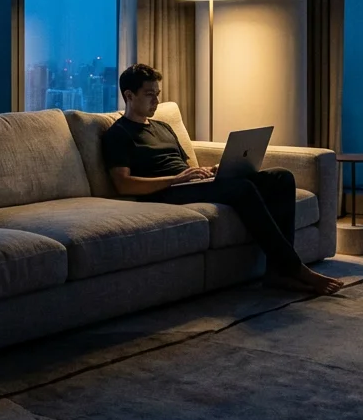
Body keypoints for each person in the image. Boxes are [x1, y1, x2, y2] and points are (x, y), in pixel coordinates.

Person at [101, 63, 343, 296]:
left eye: (158, 94)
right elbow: (124, 184)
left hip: (186, 183)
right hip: (163, 192)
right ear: (129, 95)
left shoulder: (163, 127)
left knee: (281, 177)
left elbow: (184, 167)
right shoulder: (118, 134)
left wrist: (209, 171)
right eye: (149, 94)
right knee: (242, 188)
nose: (156, 101)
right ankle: (293, 267)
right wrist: (175, 179)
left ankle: (276, 271)